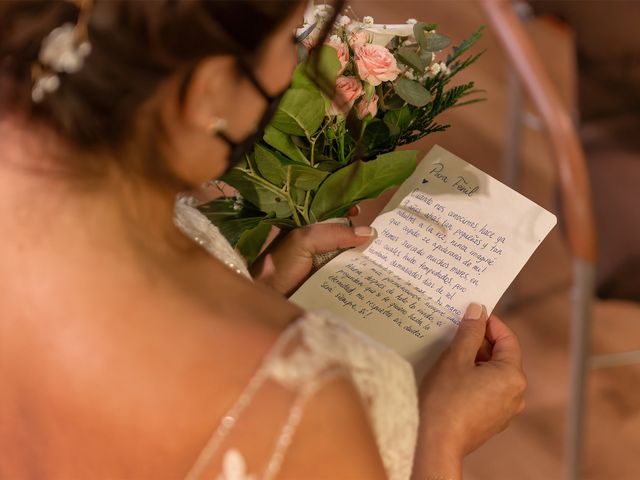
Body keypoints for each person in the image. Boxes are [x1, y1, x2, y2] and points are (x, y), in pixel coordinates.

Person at [0, 1, 526, 479]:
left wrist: (258, 287)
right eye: (288, 44)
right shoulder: (310, 402)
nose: (293, 68)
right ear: (206, 90)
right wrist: (439, 440)